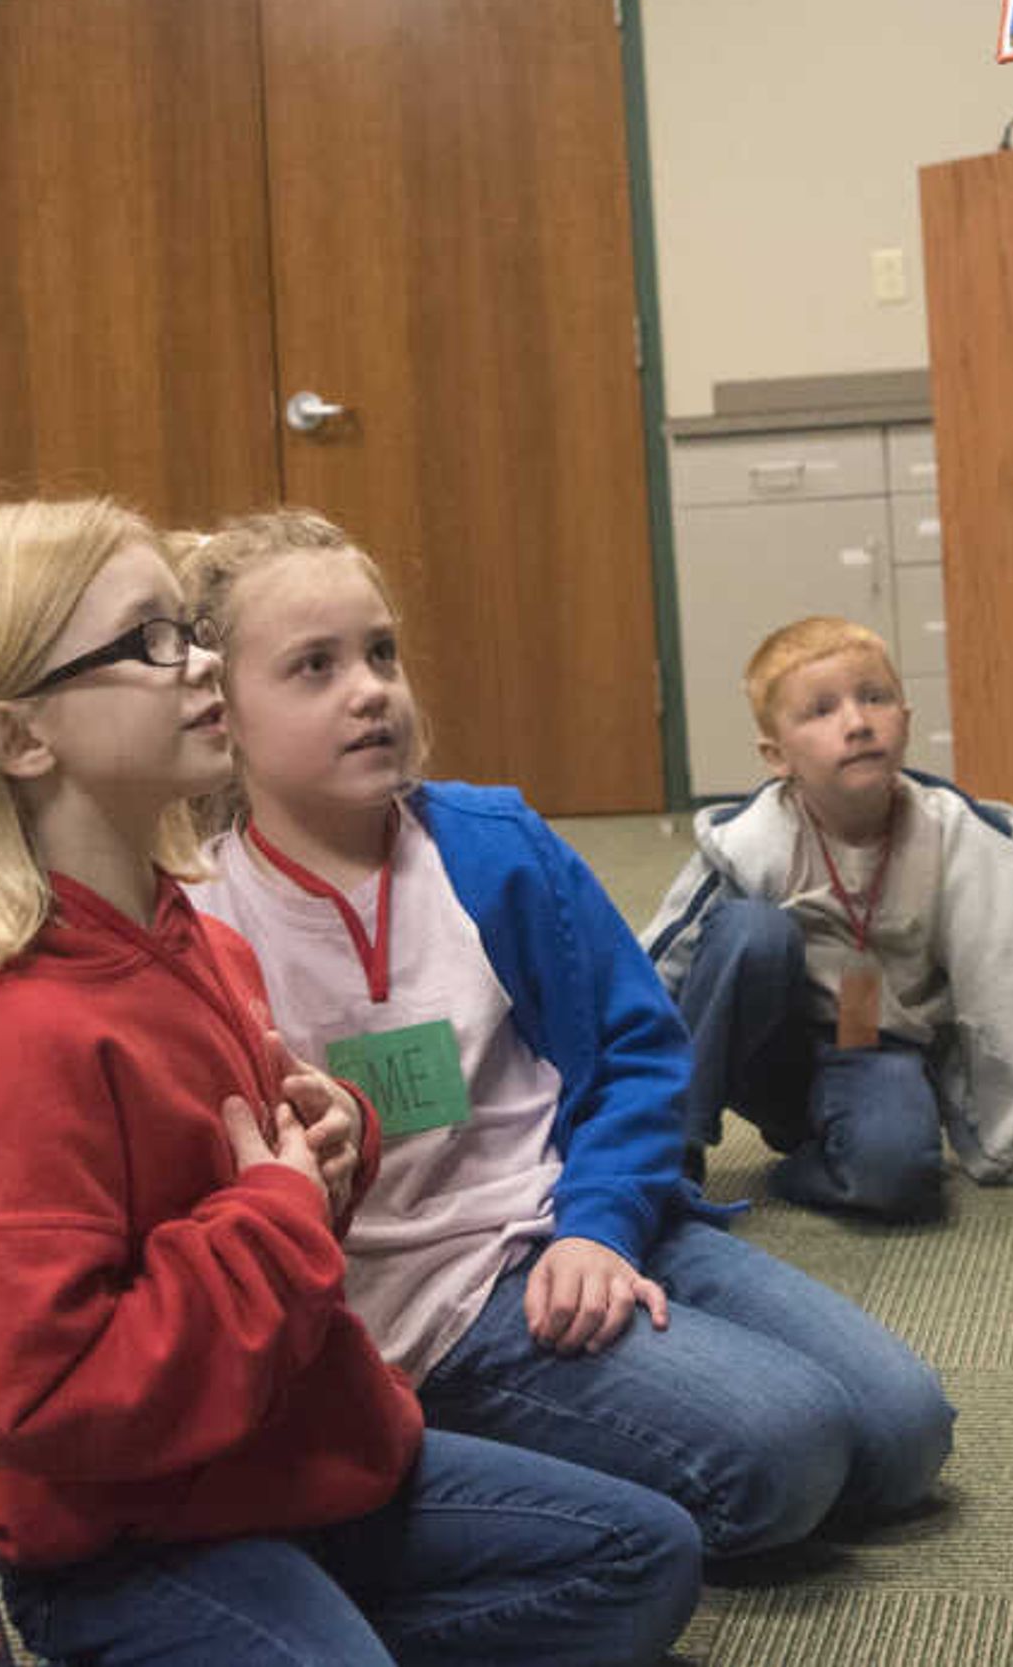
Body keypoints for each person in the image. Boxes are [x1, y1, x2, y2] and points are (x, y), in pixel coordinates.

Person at [0, 495, 700, 1667]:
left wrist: (331, 1151)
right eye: (151, 641)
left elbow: (257, 1199)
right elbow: (44, 1397)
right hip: (122, 1527)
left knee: (643, 1558)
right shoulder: (18, 1041)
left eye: (186, 631)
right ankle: (15, 1627)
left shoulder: (196, 939)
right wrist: (278, 1217)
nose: (196, 660)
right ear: (22, 737)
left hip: (276, 1448)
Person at [179, 510, 953, 1564]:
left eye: (381, 653)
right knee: (791, 1453)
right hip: (434, 1309)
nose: (369, 689)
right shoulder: (202, 917)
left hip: (588, 1217)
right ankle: (460, 1446)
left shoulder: (493, 845)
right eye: (312, 667)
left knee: (906, 1430)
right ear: (221, 712)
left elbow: (638, 1054)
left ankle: (587, 1421)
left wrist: (599, 1226)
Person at [642, 614, 1013, 1222]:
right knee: (752, 932)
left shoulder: (963, 841)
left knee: (902, 1183)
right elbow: (653, 972)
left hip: (876, 1050)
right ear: (777, 756)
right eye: (821, 711)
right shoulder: (748, 843)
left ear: (904, 718)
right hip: (764, 1046)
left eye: (874, 698)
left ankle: (805, 1165)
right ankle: (671, 1154)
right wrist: (599, 1115)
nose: (856, 723)